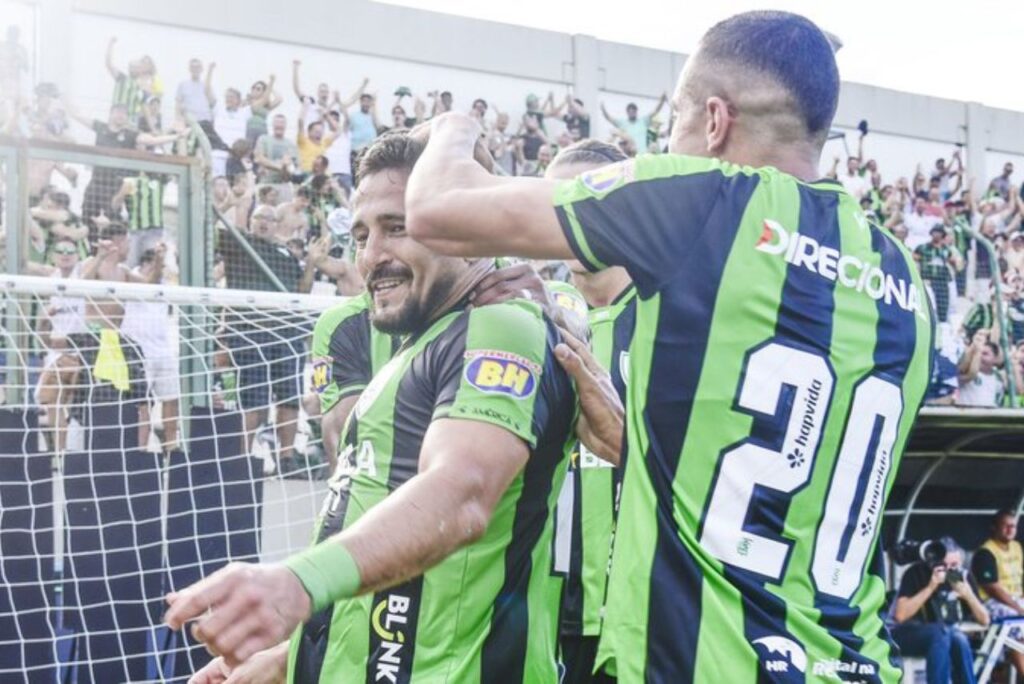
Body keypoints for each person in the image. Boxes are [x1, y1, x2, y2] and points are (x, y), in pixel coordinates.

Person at [402, 10, 933, 681]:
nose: (666, 139)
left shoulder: (704, 200)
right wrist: (636, 443)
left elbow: (436, 208)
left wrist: (454, 124)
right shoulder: (905, 279)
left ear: (714, 122)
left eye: (673, 120)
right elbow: (776, 479)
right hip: (858, 661)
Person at [167, 132, 575, 684]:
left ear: (473, 234)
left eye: (398, 227)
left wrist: (297, 582)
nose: (371, 256)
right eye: (361, 234)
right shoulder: (419, 343)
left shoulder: (500, 325)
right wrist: (292, 657)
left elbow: (463, 494)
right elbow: (378, 535)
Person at [543, 141, 636, 684]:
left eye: (589, 199)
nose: (572, 217)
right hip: (540, 608)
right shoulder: (527, 314)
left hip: (636, 613)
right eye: (560, 202)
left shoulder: (667, 318)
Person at [218, 204, 325, 474]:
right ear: (251, 220)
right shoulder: (239, 244)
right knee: (254, 399)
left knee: (289, 398)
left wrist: (311, 262)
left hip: (285, 334)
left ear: (278, 224)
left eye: (270, 218)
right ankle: (240, 460)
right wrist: (235, 201)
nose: (264, 223)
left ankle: (286, 459)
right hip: (250, 334)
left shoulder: (286, 255)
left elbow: (301, 290)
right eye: (259, 218)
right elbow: (216, 228)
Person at [891, 538, 989, 684]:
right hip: (907, 633)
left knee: (958, 638)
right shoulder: (917, 573)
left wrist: (968, 595)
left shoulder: (961, 576)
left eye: (954, 565)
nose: (949, 570)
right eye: (944, 565)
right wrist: (930, 587)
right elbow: (900, 616)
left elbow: (985, 620)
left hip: (944, 636)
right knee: (942, 632)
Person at [972, 510, 1024, 676]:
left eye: (1013, 526)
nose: (1010, 530)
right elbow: (992, 588)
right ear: (994, 527)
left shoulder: (1017, 547)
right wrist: (1019, 608)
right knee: (1018, 625)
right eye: (1006, 526)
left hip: (1017, 599)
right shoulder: (985, 552)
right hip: (991, 603)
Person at [914, 225, 963, 324]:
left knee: (943, 307)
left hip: (942, 282)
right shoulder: (922, 248)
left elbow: (957, 264)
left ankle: (943, 326)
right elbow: (914, 260)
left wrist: (955, 263)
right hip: (927, 280)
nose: (936, 234)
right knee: (928, 306)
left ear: (942, 235)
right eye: (934, 232)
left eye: (939, 232)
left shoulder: (947, 250)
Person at [600, 95, 667, 153]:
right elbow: (609, 118)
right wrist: (603, 109)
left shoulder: (643, 121)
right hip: (631, 155)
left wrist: (662, 100)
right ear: (627, 112)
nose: (632, 113)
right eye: (630, 111)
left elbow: (655, 111)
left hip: (644, 154)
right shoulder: (622, 123)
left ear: (636, 111)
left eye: (633, 111)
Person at [957, 332, 1006, 407]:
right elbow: (964, 369)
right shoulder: (967, 370)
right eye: (978, 352)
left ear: (995, 358)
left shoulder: (999, 378)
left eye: (985, 354)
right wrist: (975, 348)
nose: (979, 356)